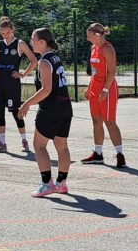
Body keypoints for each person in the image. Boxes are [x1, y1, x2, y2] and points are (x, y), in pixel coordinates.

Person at [17, 27, 72, 198]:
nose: (31, 42)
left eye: (33, 40)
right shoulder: (55, 57)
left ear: (42, 42)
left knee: (39, 145)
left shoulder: (44, 62)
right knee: (62, 146)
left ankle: (47, 184)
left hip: (50, 109)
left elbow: (46, 89)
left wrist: (27, 103)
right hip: (65, 107)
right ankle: (61, 183)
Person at [0, 16, 36, 154]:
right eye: (3, 33)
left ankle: (24, 140)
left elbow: (34, 60)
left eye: (8, 32)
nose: (6, 35)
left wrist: (24, 74)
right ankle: (2, 142)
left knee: (15, 111)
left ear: (13, 30)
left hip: (12, 82)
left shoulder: (19, 44)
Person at [80, 23, 125, 167]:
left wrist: (105, 90)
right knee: (96, 120)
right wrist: (89, 88)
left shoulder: (108, 49)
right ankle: (98, 154)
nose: (88, 39)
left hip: (108, 88)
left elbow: (112, 72)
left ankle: (120, 155)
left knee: (109, 121)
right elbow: (94, 71)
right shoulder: (93, 48)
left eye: (89, 36)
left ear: (97, 35)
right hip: (95, 88)